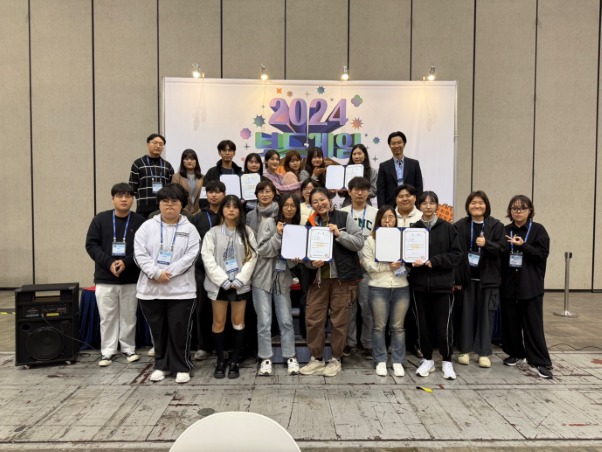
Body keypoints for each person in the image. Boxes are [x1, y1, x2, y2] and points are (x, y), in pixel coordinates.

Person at [134, 184, 200, 384]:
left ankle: (182, 366)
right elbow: (139, 254)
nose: (169, 205)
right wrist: (155, 273)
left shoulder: (190, 229)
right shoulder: (147, 227)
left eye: (174, 201)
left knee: (180, 330)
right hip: (151, 290)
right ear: (159, 204)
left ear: (182, 205)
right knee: (158, 331)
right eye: (165, 201)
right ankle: (161, 365)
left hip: (180, 291)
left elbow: (191, 256)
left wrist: (167, 274)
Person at [299, 187, 364, 377]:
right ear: (311, 205)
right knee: (313, 320)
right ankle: (317, 358)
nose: (319, 204)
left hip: (342, 280)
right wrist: (311, 263)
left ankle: (336, 359)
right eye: (315, 201)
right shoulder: (310, 224)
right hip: (318, 281)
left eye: (322, 199)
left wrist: (339, 234)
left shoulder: (344, 218)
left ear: (329, 199)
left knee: (339, 322)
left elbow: (359, 242)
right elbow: (305, 255)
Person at [85, 183, 146, 367]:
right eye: (119, 196)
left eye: (128, 196)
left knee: (129, 316)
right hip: (105, 278)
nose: (124, 199)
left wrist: (126, 262)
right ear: (113, 199)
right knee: (107, 318)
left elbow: (144, 248)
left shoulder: (140, 221)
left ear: (133, 199)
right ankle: (108, 352)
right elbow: (91, 245)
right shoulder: (100, 219)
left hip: (130, 278)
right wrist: (109, 262)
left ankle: (128, 349)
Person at [201, 195, 258, 379]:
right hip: (219, 285)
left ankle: (234, 361)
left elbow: (252, 258)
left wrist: (240, 280)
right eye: (227, 206)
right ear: (222, 210)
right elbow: (207, 258)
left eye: (235, 206)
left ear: (240, 211)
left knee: (238, 321)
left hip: (239, 285)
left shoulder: (247, 232)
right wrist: (223, 280)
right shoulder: (213, 233)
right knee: (218, 322)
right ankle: (220, 360)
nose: (231, 209)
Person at [410, 191, 462, 380]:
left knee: (444, 326)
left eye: (432, 203)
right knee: (422, 326)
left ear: (437, 206)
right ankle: (427, 359)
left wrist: (436, 261)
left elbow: (456, 255)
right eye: (424, 203)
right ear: (419, 206)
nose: (428, 206)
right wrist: (410, 262)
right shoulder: (413, 229)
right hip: (419, 286)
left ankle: (447, 361)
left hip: (443, 286)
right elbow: (406, 255)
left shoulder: (448, 228)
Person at [501, 195, 553, 379]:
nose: (518, 211)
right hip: (509, 284)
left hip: (530, 285)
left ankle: (538, 361)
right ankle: (516, 353)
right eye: (514, 208)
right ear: (510, 211)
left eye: (523, 208)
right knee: (511, 323)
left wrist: (523, 246)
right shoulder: (505, 230)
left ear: (530, 210)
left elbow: (542, 254)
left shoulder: (538, 230)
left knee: (533, 325)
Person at [454, 191, 505, 368]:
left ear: (486, 205)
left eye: (481, 202)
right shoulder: (460, 226)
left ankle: (484, 353)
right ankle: (464, 350)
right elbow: (455, 254)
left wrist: (487, 244)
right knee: (465, 316)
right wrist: (457, 279)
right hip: (466, 280)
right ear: (468, 206)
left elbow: (503, 250)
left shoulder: (496, 226)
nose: (477, 206)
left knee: (486, 316)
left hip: (488, 280)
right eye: (473, 202)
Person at [253, 193, 301, 376]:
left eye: (293, 206)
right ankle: (265, 358)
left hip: (282, 279)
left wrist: (295, 258)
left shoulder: (296, 228)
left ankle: (290, 356)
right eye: (286, 205)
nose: (289, 208)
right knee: (264, 321)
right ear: (280, 207)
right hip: (262, 278)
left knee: (286, 320)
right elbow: (262, 250)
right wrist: (279, 236)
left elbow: (292, 263)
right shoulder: (269, 223)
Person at [363, 205, 410, 377]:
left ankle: (398, 361)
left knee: (398, 327)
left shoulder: (404, 238)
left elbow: (410, 262)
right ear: (379, 220)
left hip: (401, 287)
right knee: (378, 327)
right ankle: (380, 360)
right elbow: (367, 264)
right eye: (384, 217)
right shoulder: (371, 240)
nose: (388, 220)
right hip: (378, 287)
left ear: (396, 219)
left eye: (391, 217)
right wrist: (388, 267)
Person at [340, 177, 378, 359]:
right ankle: (350, 343)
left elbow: (379, 239)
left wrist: (368, 260)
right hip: (347, 268)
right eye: (356, 189)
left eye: (364, 189)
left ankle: (368, 343)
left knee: (367, 308)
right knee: (349, 308)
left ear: (369, 192)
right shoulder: (342, 213)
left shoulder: (376, 213)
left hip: (368, 268)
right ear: (349, 192)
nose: (360, 193)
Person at [190, 180, 226, 360]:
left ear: (224, 194)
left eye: (217, 192)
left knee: (224, 307)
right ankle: (203, 346)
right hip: (202, 270)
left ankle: (224, 345)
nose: (214, 195)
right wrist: (202, 263)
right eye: (210, 192)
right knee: (202, 308)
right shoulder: (198, 218)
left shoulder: (229, 215)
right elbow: (193, 245)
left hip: (226, 270)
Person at [129, 133, 175, 219]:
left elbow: (171, 188)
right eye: (155, 143)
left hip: (163, 208)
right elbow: (132, 187)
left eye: (161, 144)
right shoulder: (138, 163)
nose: (158, 146)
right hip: (143, 208)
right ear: (148, 145)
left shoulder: (167, 166)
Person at [297, 178, 320, 338]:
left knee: (320, 296)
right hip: (303, 258)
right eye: (306, 188)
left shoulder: (324, 209)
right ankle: (305, 332)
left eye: (312, 188)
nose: (309, 191)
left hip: (322, 256)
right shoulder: (297, 207)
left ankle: (319, 331)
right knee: (306, 295)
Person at [377, 131, 423, 208]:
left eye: (399, 142)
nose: (396, 146)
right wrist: (382, 209)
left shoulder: (414, 164)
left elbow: (419, 187)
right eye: (393, 143)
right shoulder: (384, 166)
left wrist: (418, 206)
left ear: (404, 144)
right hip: (391, 206)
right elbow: (381, 190)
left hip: (411, 205)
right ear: (390, 146)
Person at [202, 140, 243, 208]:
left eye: (230, 150)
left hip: (235, 208)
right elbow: (204, 193)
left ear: (234, 153)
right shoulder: (212, 172)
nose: (227, 153)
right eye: (224, 150)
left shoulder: (240, 174)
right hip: (216, 209)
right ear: (219, 153)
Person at [171, 149, 204, 215]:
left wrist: (199, 211)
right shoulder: (176, 177)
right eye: (186, 159)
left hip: (199, 212)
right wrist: (185, 211)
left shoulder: (202, 178)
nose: (189, 161)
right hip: (182, 212)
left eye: (192, 159)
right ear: (182, 161)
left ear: (196, 161)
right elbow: (175, 196)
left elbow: (205, 197)